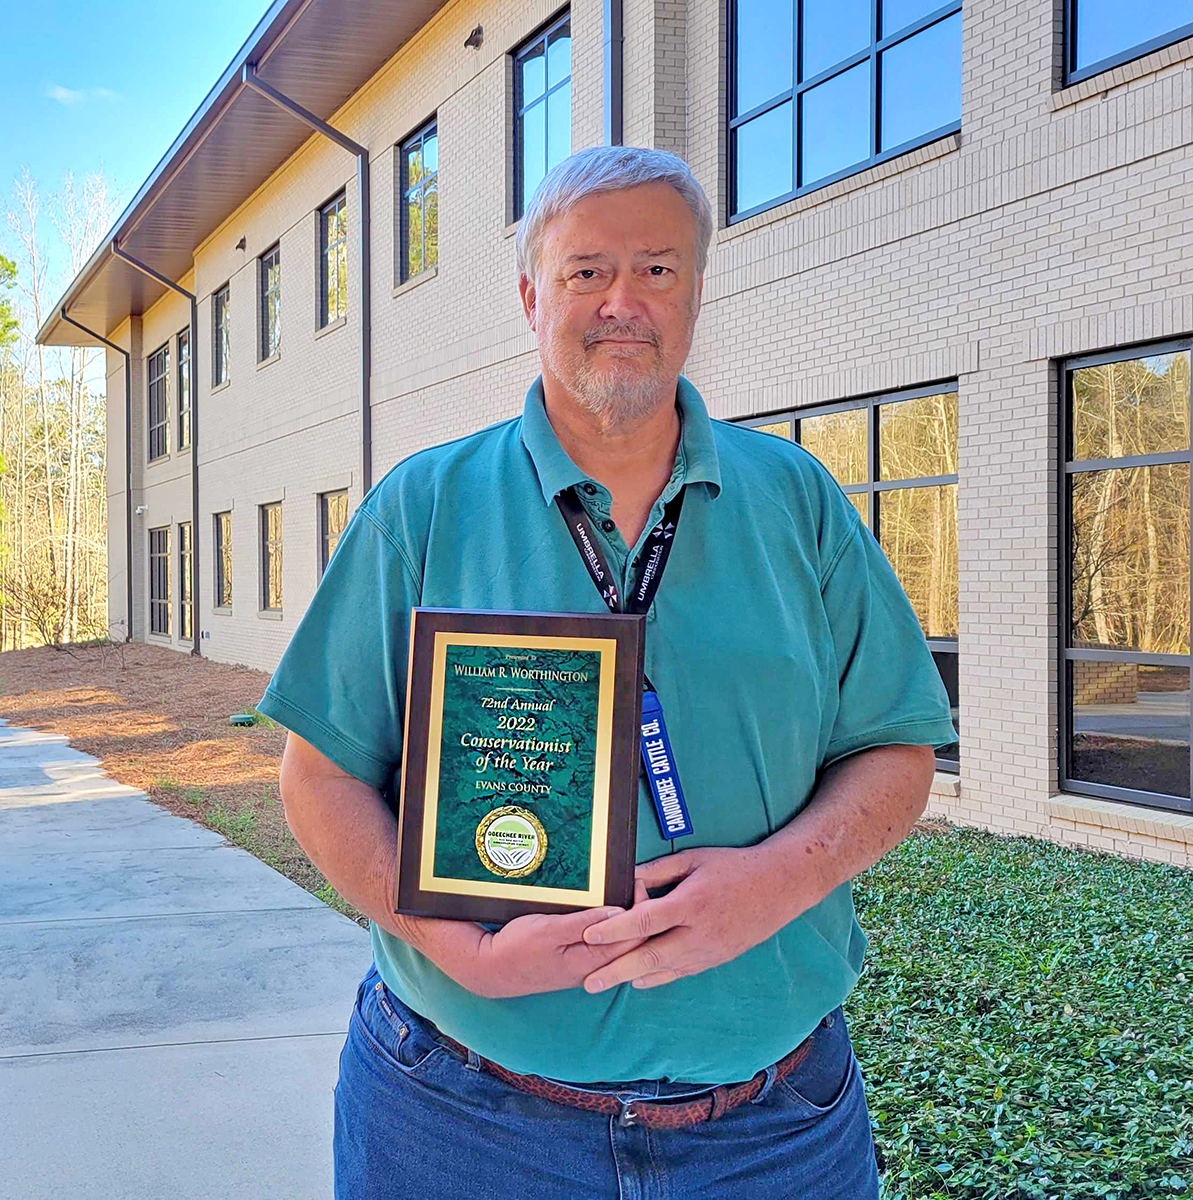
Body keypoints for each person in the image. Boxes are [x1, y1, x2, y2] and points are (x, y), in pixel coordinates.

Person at [256, 144, 958, 1199]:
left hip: (772, 1133)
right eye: (587, 271)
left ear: (696, 293)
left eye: (657, 269)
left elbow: (897, 749)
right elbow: (317, 777)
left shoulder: (799, 501)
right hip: (459, 1120)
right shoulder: (423, 506)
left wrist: (779, 883)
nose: (622, 300)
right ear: (533, 294)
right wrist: (457, 950)